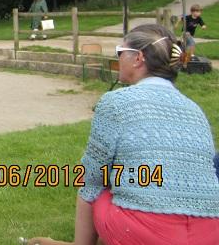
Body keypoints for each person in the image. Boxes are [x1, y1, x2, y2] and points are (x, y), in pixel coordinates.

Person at [26, 24, 219, 245]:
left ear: (138, 58)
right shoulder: (195, 109)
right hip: (208, 233)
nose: (118, 58)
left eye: (120, 52)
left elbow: (92, 175)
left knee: (97, 181)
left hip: (150, 233)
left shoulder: (117, 102)